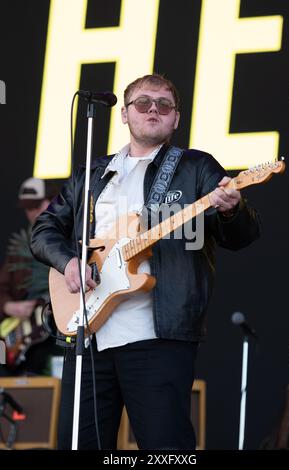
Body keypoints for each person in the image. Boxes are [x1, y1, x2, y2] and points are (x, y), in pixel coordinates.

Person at [30, 74, 261, 450]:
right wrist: (69, 262)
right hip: (88, 334)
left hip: (159, 336)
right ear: (124, 114)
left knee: (165, 448)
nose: (153, 109)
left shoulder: (197, 168)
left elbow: (242, 236)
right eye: (143, 103)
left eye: (164, 104)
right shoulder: (92, 173)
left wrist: (234, 211)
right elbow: (44, 229)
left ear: (176, 119)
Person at [0, 177, 60, 376]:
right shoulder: (20, 246)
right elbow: (2, 288)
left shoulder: (68, 240)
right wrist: (9, 306)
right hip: (22, 330)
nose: (32, 212)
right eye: (27, 207)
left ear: (51, 202)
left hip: (56, 330)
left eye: (36, 205)